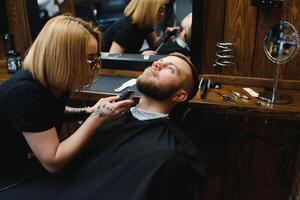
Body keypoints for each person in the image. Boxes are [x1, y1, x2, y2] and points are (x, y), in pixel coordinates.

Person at [0, 53, 206, 199]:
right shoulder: (111, 115)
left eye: (170, 68)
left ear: (180, 95)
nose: (157, 65)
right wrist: (91, 115)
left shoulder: (169, 153)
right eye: (159, 61)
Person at [0, 15, 132, 189]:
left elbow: (45, 114)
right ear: (65, 58)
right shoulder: (23, 93)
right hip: (10, 176)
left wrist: (87, 112)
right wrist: (97, 118)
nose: (95, 66)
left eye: (96, 58)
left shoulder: (55, 84)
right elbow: (53, 162)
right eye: (90, 59)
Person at [102, 0, 177, 54]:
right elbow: (114, 58)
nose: (163, 14)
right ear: (149, 11)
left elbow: (154, 43)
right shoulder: (126, 29)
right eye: (160, 10)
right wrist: (141, 56)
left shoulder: (145, 24)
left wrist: (164, 36)